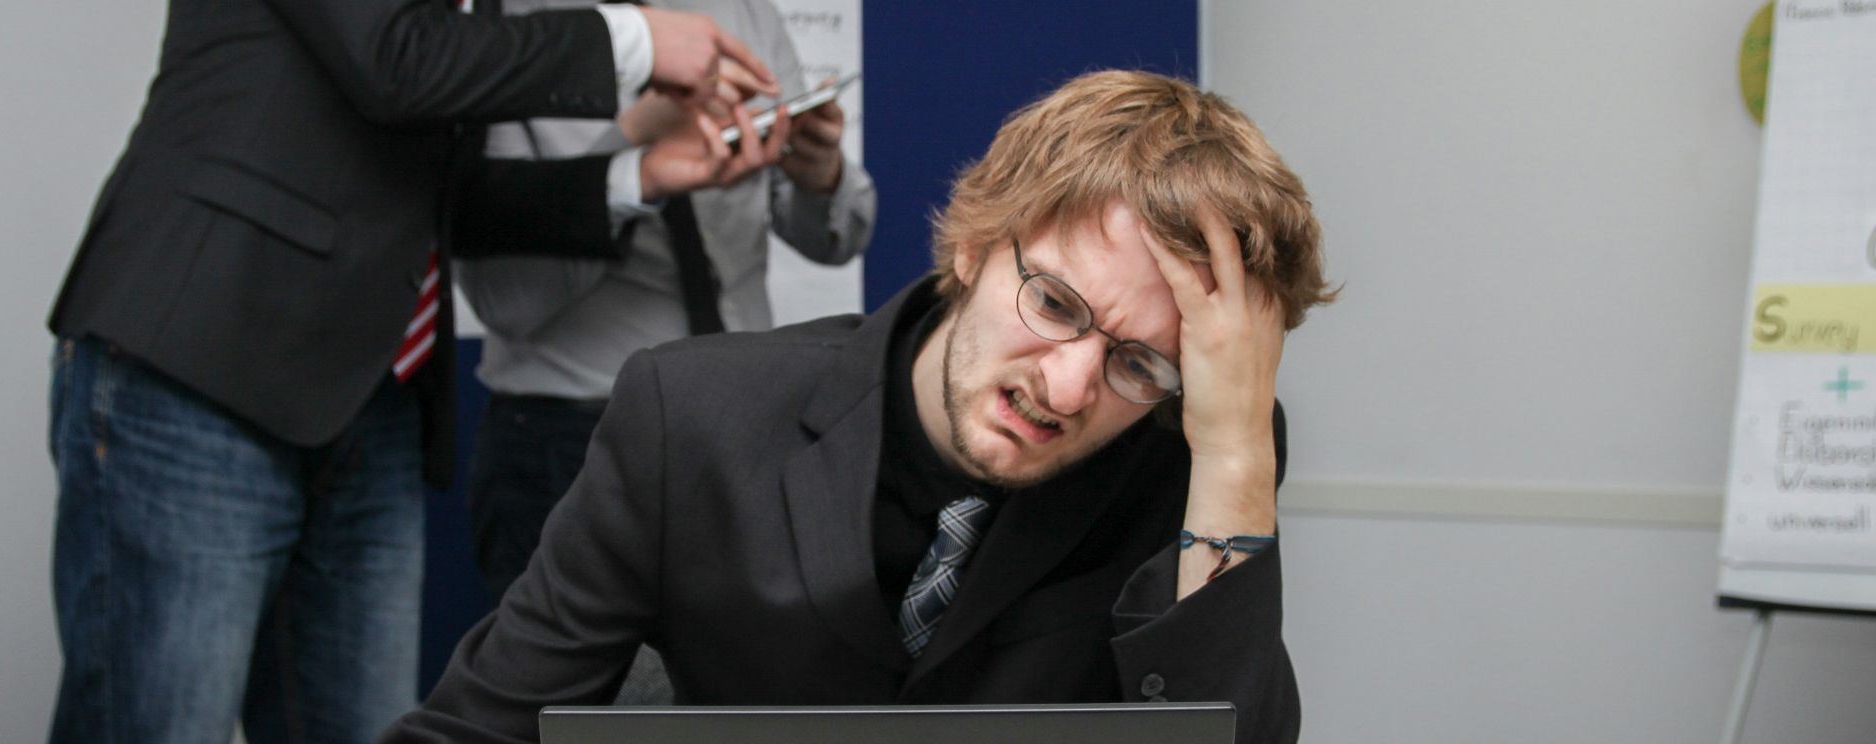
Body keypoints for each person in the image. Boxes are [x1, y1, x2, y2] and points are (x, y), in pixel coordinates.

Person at [41, 0, 780, 741]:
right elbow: (398, 61)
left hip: (369, 409)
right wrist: (636, 40)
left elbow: (439, 197)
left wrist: (638, 177)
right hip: (203, 375)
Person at [386, 69, 1334, 744]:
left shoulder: (1197, 455)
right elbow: (472, 730)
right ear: (976, 243)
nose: (1069, 386)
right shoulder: (690, 417)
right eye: (1053, 305)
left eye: (1139, 363)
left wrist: (1239, 456)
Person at [458, 0, 878, 608]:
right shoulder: (488, 36)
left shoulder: (734, 5)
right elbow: (506, 303)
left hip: (752, 426)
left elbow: (838, 237)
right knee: (570, 723)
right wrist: (635, 156)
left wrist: (817, 169)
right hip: (568, 437)